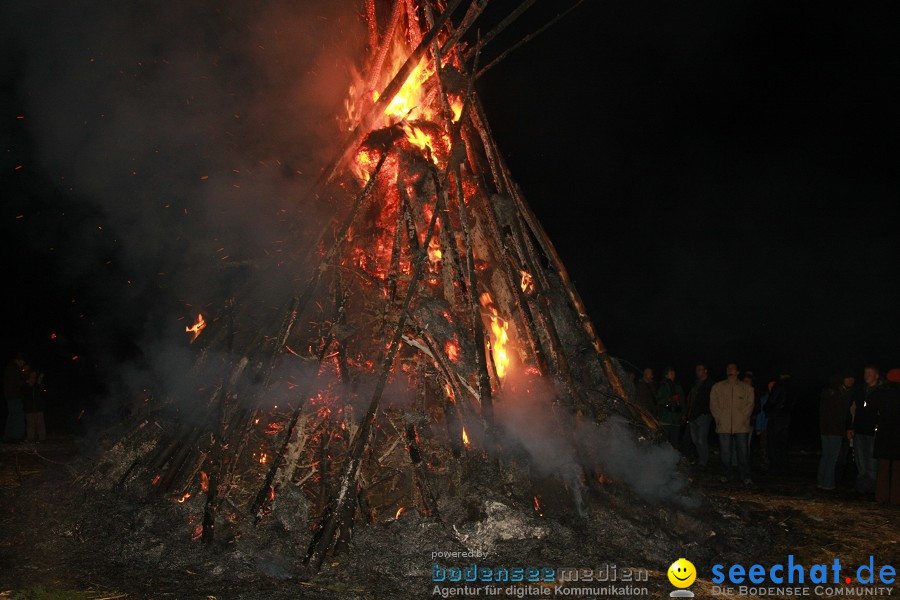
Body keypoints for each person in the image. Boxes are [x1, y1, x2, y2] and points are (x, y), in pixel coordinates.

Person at [710, 363, 754, 484]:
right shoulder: (717, 387)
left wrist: (742, 418)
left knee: (743, 452)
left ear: (738, 371)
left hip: (741, 426)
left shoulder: (747, 389)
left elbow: (750, 405)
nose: (730, 370)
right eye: (728, 368)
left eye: (733, 368)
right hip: (723, 425)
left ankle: (745, 476)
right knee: (725, 453)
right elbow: (714, 405)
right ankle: (725, 474)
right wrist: (719, 418)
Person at [847, 365, 884, 495]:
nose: (867, 375)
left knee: (872, 462)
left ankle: (872, 490)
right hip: (859, 430)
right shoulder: (860, 391)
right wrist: (851, 427)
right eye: (865, 372)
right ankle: (862, 489)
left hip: (873, 432)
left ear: (876, 375)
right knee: (860, 461)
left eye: (870, 372)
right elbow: (853, 409)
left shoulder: (882, 391)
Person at [817, 374, 854, 490]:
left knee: (826, 456)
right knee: (832, 457)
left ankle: (821, 482)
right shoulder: (838, 395)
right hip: (834, 431)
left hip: (826, 430)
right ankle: (828, 484)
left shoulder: (827, 393)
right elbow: (841, 414)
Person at [873, 368, 900, 504]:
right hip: (897, 435)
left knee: (883, 467)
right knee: (897, 468)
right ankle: (896, 497)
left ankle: (881, 496)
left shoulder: (881, 393)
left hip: (884, 433)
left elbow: (874, 410)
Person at [765, 374, 794, 475]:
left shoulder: (779, 386)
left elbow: (771, 401)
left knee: (773, 443)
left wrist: (767, 409)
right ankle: (783, 467)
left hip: (776, 418)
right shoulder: (792, 387)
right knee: (782, 444)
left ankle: (775, 468)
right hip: (786, 418)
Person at [686, 364, 713, 467]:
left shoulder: (710, 384)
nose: (698, 372)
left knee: (701, 439)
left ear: (705, 371)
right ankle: (700, 458)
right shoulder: (695, 383)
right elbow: (691, 398)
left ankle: (703, 461)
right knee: (695, 439)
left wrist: (705, 410)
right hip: (693, 415)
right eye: (697, 370)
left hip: (703, 415)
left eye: (700, 370)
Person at [656, 367, 685, 449]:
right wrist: (670, 399)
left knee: (674, 442)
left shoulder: (678, 387)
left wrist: (683, 414)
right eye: (671, 373)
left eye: (674, 373)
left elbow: (682, 402)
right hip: (665, 418)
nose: (673, 375)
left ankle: (674, 460)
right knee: (664, 442)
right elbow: (658, 401)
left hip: (676, 419)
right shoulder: (662, 387)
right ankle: (663, 459)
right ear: (666, 375)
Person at [3, 352, 28, 443]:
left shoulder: (12, 368)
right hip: (14, 395)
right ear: (18, 360)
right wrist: (26, 379)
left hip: (11, 395)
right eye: (22, 363)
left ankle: (8, 436)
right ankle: (16, 437)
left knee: (12, 415)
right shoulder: (12, 368)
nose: (22, 365)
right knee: (18, 416)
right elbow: (18, 382)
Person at [24, 367, 47, 442]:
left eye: (34, 374)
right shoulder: (26, 384)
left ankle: (42, 438)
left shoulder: (38, 384)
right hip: (29, 408)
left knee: (40, 424)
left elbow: (42, 392)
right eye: (32, 374)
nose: (33, 376)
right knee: (31, 424)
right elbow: (24, 394)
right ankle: (31, 438)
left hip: (39, 407)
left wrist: (39, 381)